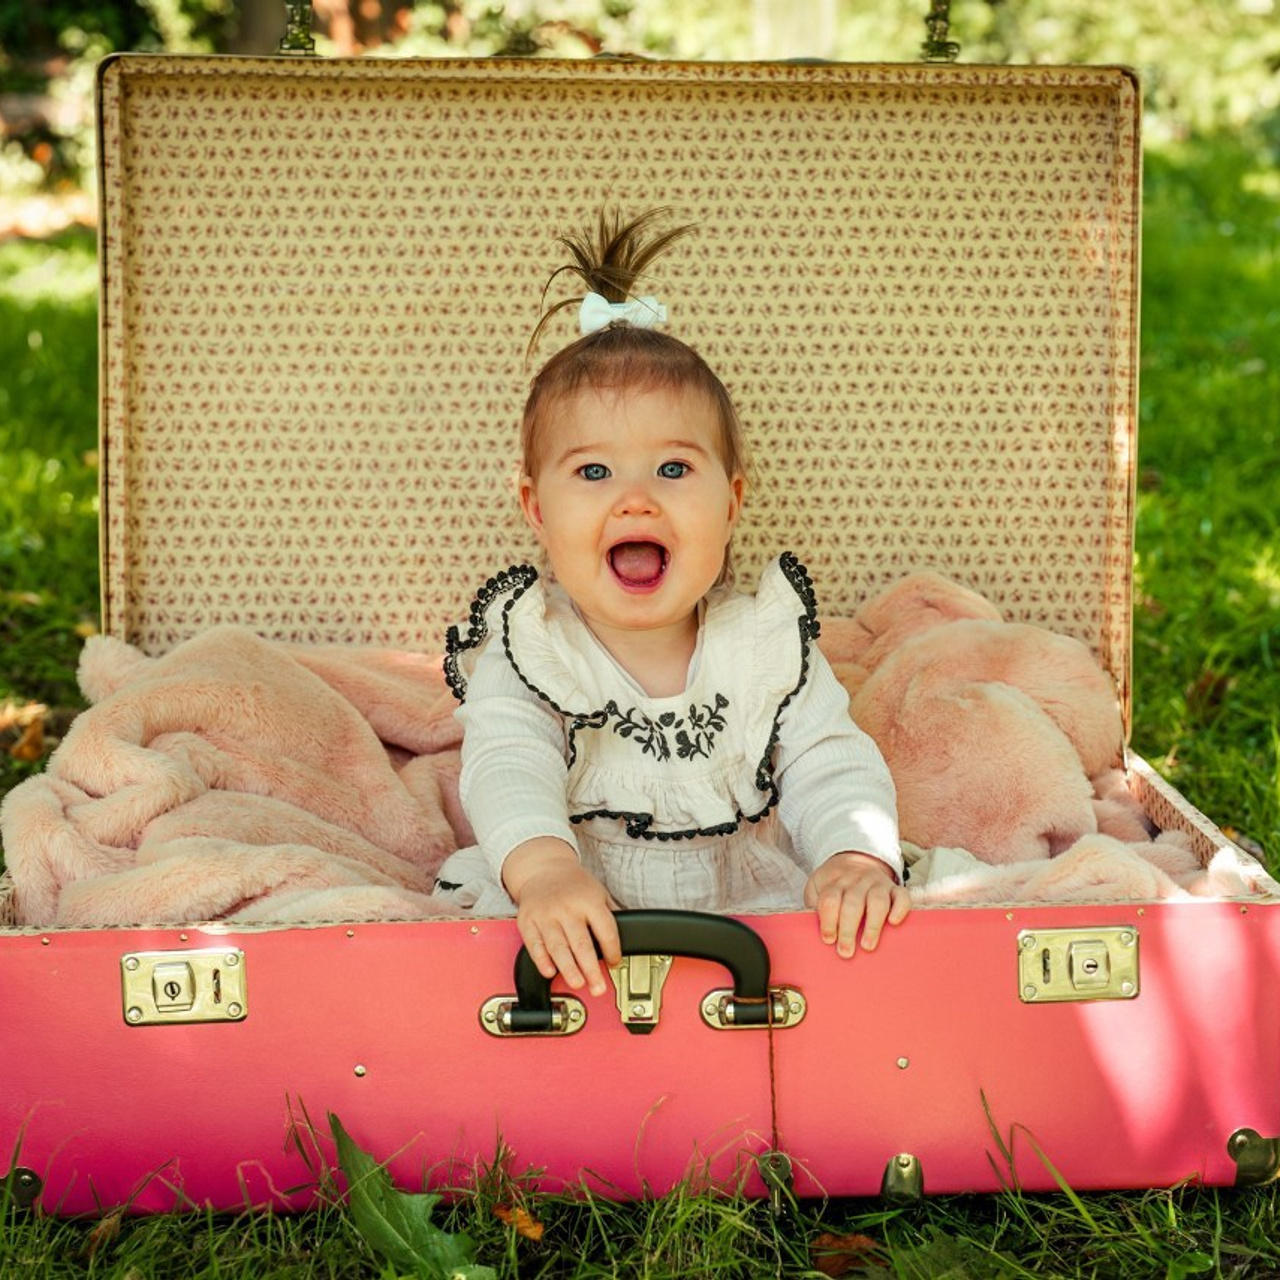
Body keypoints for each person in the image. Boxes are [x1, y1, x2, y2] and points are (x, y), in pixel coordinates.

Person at [434, 209, 909, 997]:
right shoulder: (535, 649)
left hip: (743, 905)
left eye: (674, 471)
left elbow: (831, 757)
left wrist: (855, 854)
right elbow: (505, 762)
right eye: (593, 474)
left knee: (854, 930)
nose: (635, 502)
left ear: (732, 501)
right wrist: (544, 869)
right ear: (534, 507)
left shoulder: (763, 646)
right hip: (569, 900)